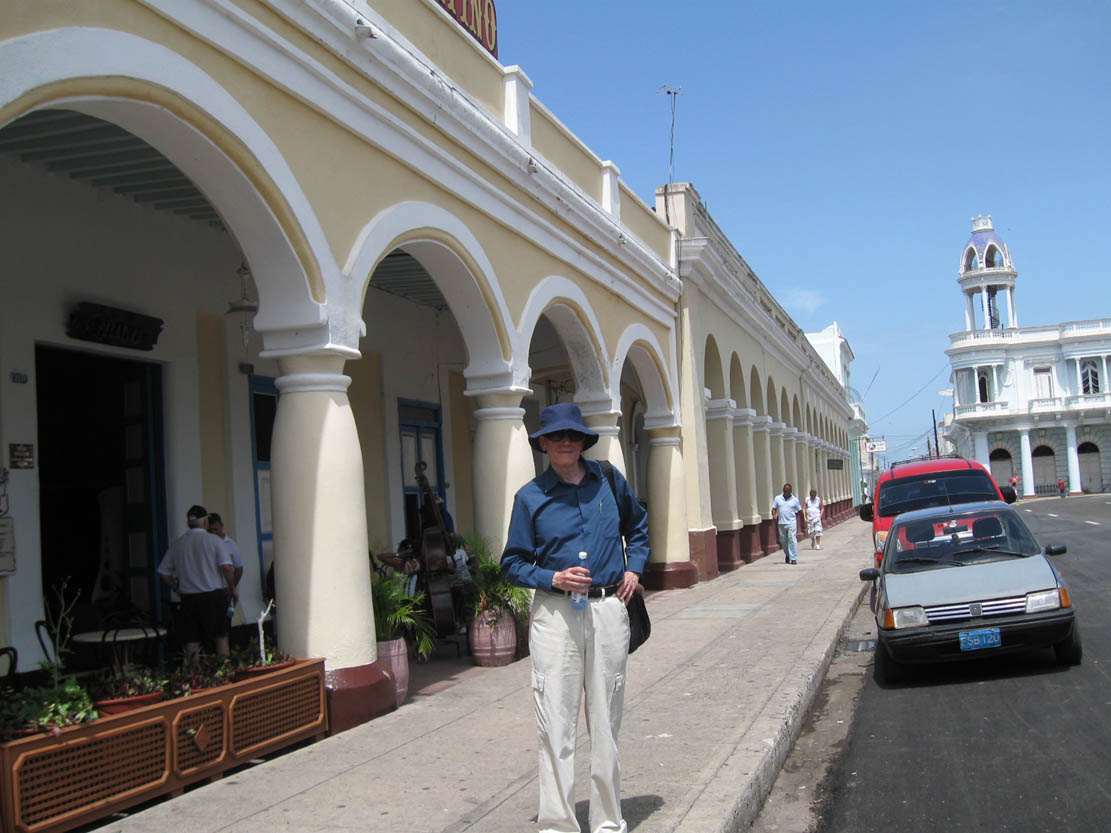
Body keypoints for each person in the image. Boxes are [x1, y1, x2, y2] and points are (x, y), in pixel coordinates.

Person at [502, 402, 649, 833]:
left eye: (572, 435)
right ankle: (558, 824)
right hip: (556, 615)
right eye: (556, 436)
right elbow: (512, 563)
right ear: (544, 444)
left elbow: (638, 527)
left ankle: (607, 821)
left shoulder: (608, 480)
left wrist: (634, 568)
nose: (565, 442)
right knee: (556, 721)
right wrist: (553, 577)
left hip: (607, 610)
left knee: (606, 720)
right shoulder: (530, 497)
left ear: (582, 441)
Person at [158, 505, 236, 664]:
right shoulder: (213, 540)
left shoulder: (178, 543)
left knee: (191, 640)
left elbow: (163, 572)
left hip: (188, 598)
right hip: (213, 596)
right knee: (220, 636)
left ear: (189, 523)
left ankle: (195, 674)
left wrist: (176, 587)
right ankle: (224, 670)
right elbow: (227, 567)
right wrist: (232, 588)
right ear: (206, 522)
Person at [206, 513, 243, 624]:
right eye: (210, 530)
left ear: (222, 526)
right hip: (208, 590)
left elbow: (239, 568)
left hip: (224, 591)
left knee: (224, 623)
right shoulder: (205, 543)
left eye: (216, 529)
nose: (213, 533)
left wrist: (231, 587)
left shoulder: (230, 544)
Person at [771, 483, 803, 565]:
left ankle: (793, 558)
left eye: (788, 492)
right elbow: (774, 508)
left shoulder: (795, 500)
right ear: (783, 490)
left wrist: (803, 523)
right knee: (783, 541)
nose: (786, 493)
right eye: (785, 491)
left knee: (792, 539)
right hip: (781, 523)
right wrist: (774, 514)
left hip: (791, 522)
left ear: (791, 491)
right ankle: (788, 554)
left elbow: (800, 511)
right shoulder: (778, 498)